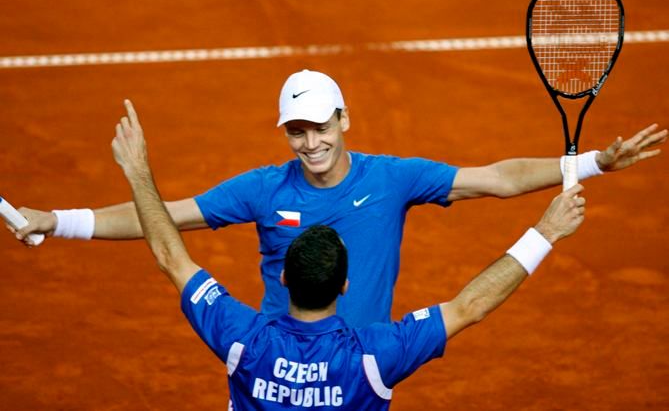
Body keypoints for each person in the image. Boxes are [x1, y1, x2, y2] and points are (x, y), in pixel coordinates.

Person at [9, 70, 667, 327]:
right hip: (275, 367)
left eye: (319, 125)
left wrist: (594, 164)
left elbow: (494, 179)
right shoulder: (261, 190)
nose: (309, 141)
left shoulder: (394, 178)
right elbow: (163, 217)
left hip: (355, 373)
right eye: (296, 130)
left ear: (343, 119)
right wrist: (57, 220)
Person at [112, 100, 586, 409]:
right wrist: (546, 231)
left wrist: (137, 173)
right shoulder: (374, 356)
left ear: (282, 281)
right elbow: (470, 305)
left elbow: (171, 255)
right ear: (345, 285)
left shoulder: (244, 340)